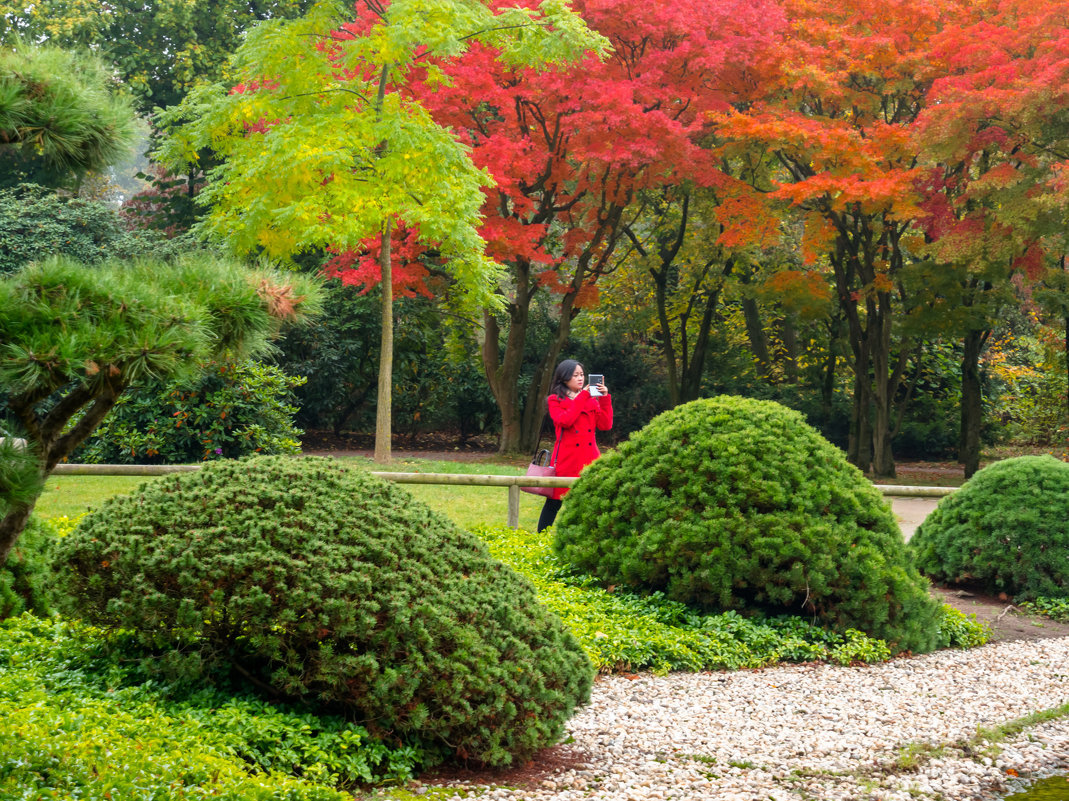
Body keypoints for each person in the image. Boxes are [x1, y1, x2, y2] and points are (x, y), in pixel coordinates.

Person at [537, 359, 613, 532]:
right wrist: (584, 396)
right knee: (554, 501)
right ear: (564, 378)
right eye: (575, 375)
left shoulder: (592, 399)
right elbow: (565, 420)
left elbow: (605, 425)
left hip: (590, 458)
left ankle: (586, 537)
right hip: (567, 459)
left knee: (591, 502)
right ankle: (539, 538)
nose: (580, 378)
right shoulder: (555, 399)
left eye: (582, 375)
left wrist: (605, 398)